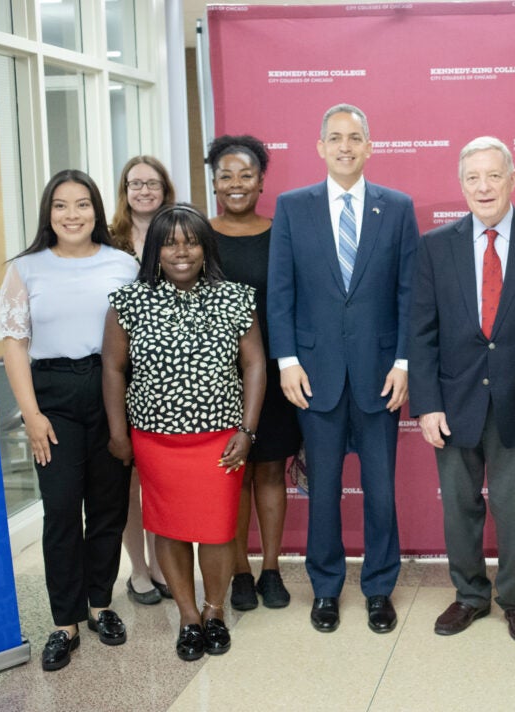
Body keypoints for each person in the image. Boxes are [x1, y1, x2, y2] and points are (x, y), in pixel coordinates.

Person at [410, 136, 515, 643]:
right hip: (455, 402)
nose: (483, 187)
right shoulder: (434, 246)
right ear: (461, 185)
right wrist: (427, 406)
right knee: (459, 508)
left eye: (493, 175)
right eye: (472, 178)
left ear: (513, 179)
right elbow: (420, 333)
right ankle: (468, 596)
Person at [267, 104, 418, 634]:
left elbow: (408, 293)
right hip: (314, 374)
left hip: (380, 374)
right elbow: (280, 291)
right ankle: (326, 589)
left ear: (370, 146)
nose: (345, 147)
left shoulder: (397, 208)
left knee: (380, 490)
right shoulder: (293, 207)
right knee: (323, 489)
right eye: (335, 138)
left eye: (355, 138)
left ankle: (379, 588)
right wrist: (286, 360)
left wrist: (404, 361)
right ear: (320, 147)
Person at [103, 203, 266, 661]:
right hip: (155, 442)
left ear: (204, 247)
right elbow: (113, 369)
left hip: (219, 440)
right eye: (170, 242)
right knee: (170, 530)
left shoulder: (235, 296)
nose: (181, 251)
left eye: (191, 241)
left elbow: (254, 364)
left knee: (216, 532)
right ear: (155, 249)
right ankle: (190, 619)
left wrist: (247, 431)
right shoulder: (129, 301)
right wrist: (120, 433)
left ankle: (215, 612)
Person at [0, 169, 137, 671]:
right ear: (47, 213)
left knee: (107, 506)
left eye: (82, 204)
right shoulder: (25, 269)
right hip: (52, 395)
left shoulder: (124, 264)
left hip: (111, 390)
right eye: (61, 205)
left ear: (97, 211)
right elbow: (14, 345)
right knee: (60, 509)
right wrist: (31, 415)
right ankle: (65, 622)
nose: (72, 214)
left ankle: (100, 606)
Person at [206, 134, 302, 611]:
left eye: (246, 174)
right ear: (214, 182)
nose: (236, 183)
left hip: (276, 370)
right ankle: (239, 571)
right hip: (218, 377)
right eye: (226, 175)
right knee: (234, 472)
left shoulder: (281, 230)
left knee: (269, 470)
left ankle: (270, 569)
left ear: (262, 180)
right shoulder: (199, 234)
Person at [109, 155, 177, 605]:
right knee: (128, 477)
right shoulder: (108, 241)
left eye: (152, 183)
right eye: (136, 184)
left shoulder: (179, 234)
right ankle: (137, 571)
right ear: (124, 190)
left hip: (167, 374)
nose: (144, 191)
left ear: (164, 189)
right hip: (120, 369)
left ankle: (161, 563)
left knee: (161, 478)